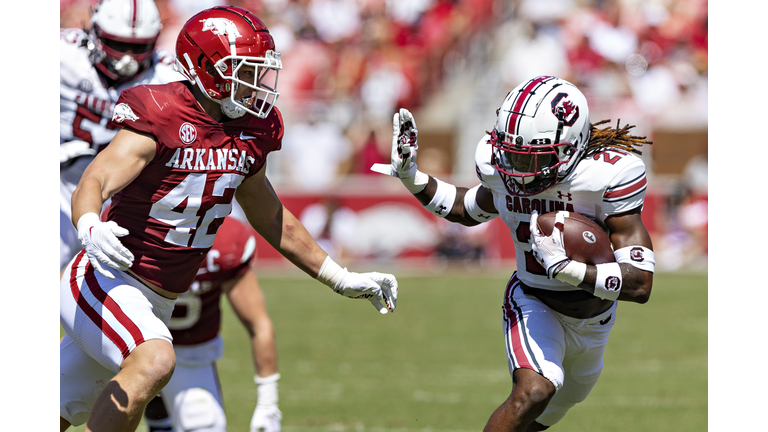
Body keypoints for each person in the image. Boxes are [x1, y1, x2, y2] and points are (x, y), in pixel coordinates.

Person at [60, 6, 398, 432]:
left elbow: (268, 212)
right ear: (206, 69)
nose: (256, 83)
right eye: (244, 70)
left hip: (157, 298)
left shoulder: (253, 128)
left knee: (56, 407)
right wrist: (90, 224)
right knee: (156, 360)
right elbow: (97, 177)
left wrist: (339, 276)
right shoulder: (161, 110)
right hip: (106, 278)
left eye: (259, 71)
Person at [372, 75, 654, 431]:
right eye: (514, 156)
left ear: (571, 146)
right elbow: (467, 207)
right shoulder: (501, 169)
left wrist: (571, 271)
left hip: (595, 320)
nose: (519, 171)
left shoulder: (605, 177)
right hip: (533, 300)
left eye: (532, 159)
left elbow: (640, 284)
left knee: (540, 416)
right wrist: (412, 177)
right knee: (533, 392)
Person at [60, 0, 183, 273]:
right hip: (61, 178)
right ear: (95, 33)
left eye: (138, 47)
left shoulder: (168, 75)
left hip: (125, 190)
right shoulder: (63, 54)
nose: (127, 58)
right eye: (117, 44)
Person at [142, 216, 282, 432]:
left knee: (204, 425)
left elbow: (258, 324)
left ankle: (160, 418)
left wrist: (268, 402)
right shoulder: (133, 217)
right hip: (127, 345)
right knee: (76, 404)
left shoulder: (227, 239)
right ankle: (157, 413)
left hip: (191, 352)